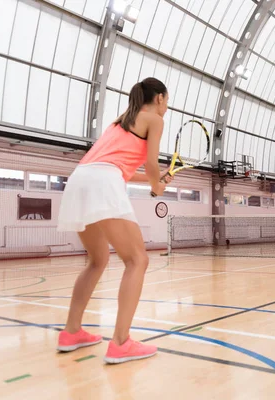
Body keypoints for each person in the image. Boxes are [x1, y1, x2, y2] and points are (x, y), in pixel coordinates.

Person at [56, 77, 171, 364]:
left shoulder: (121, 120)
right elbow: (151, 164)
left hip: (80, 179)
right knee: (137, 260)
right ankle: (120, 342)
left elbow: (122, 168)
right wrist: (157, 184)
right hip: (102, 182)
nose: (166, 106)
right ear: (159, 98)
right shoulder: (154, 119)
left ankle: (71, 332)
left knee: (97, 260)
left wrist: (155, 180)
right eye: (167, 101)